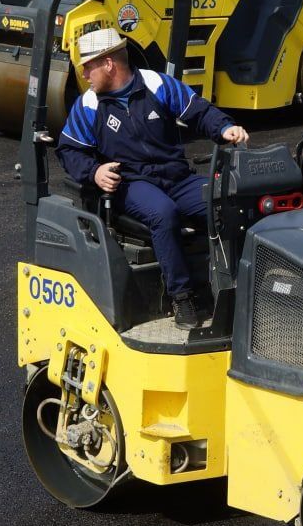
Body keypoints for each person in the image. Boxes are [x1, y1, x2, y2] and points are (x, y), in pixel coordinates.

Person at [56, 28, 249, 328]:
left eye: (88, 65)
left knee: (227, 199)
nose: (83, 72)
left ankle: (235, 285)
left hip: (177, 178)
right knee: (163, 214)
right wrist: (94, 171)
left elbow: (198, 112)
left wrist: (225, 128)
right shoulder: (89, 105)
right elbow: (69, 150)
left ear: (108, 64)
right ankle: (182, 297)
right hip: (131, 184)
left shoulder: (157, 84)